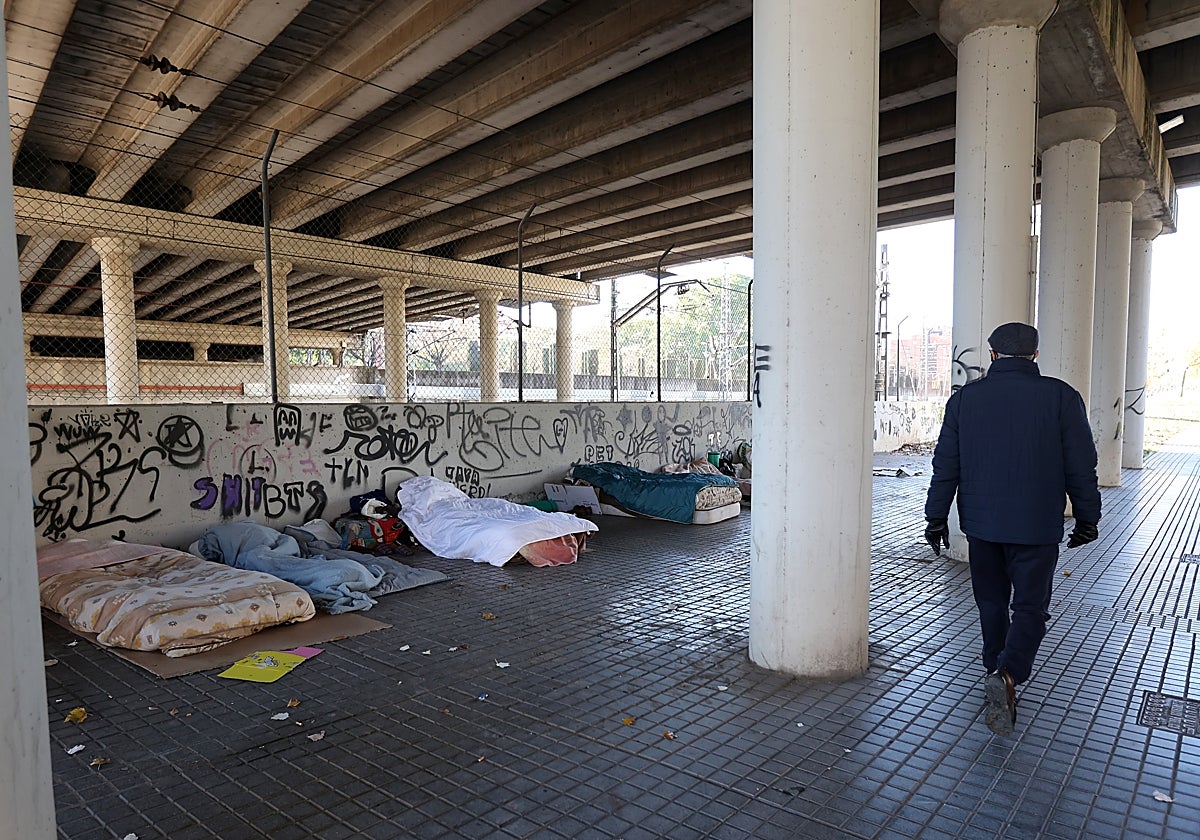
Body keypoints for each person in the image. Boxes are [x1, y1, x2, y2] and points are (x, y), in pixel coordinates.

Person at [923, 322, 1100, 735]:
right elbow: (1081, 464)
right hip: (1037, 527)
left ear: (991, 356)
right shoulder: (1061, 397)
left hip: (982, 527)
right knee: (1031, 608)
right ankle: (1008, 674)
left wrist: (935, 517)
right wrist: (1088, 516)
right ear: (1035, 356)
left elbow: (945, 464)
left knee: (990, 602)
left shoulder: (965, 400)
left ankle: (993, 667)